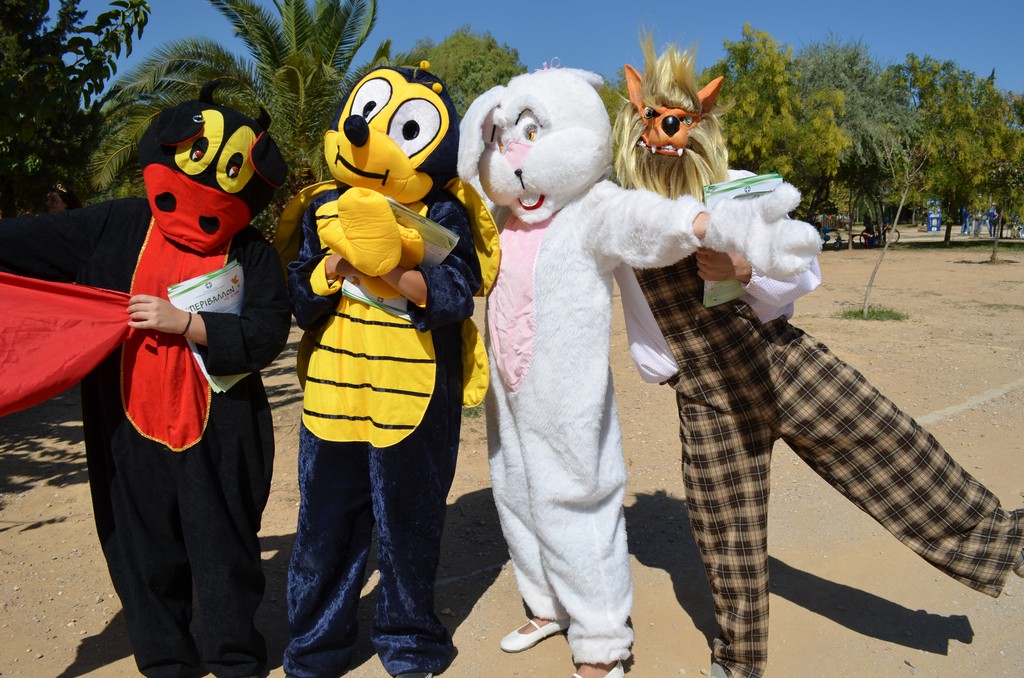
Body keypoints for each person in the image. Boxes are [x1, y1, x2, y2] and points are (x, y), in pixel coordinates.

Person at [611, 38, 1024, 678]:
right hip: (704, 395)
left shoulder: (736, 192)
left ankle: (1002, 539)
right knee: (728, 534)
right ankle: (740, 661)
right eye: (653, 121)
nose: (665, 135)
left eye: (680, 121)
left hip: (780, 360)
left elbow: (803, 268)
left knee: (887, 441)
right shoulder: (619, 218)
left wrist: (745, 268)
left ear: (699, 126)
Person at [458, 66, 818, 678]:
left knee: (577, 496)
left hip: (566, 394)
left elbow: (646, 221)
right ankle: (547, 604)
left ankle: (603, 641)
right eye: (503, 139)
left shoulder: (591, 207)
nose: (515, 159)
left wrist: (705, 224)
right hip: (508, 387)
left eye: (531, 133)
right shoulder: (502, 218)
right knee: (515, 488)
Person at [0, 86, 291, 677]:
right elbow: (28, 245)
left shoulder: (252, 254)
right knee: (142, 549)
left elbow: (266, 333)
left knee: (224, 551)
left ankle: (234, 658)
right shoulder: (119, 226)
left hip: (221, 432)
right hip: (129, 431)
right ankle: (166, 662)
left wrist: (186, 322)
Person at [281, 65, 494, 678]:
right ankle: (316, 648)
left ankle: (409, 642)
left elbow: (458, 293)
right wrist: (333, 271)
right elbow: (300, 295)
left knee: (409, 528)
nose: (364, 133)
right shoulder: (321, 206)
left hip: (413, 395)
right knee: (325, 529)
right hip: (336, 395)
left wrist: (393, 270)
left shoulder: (442, 213)